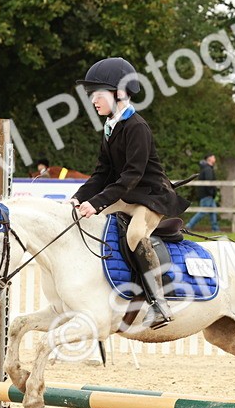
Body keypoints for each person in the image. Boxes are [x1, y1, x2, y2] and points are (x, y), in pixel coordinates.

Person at [70, 57, 189, 330]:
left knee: (135, 235)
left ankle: (159, 304)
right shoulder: (111, 127)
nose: (93, 101)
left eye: (97, 94)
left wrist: (98, 203)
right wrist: (79, 198)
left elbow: (131, 176)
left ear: (119, 93)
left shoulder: (137, 127)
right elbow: (102, 173)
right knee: (88, 222)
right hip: (129, 195)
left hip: (150, 196)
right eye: (91, 96)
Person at [185, 154, 220, 232]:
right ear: (209, 158)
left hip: (209, 195)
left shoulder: (207, 168)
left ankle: (215, 229)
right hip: (207, 195)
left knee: (213, 212)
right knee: (203, 211)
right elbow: (209, 182)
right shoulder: (208, 169)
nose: (215, 158)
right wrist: (211, 192)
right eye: (213, 157)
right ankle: (189, 225)